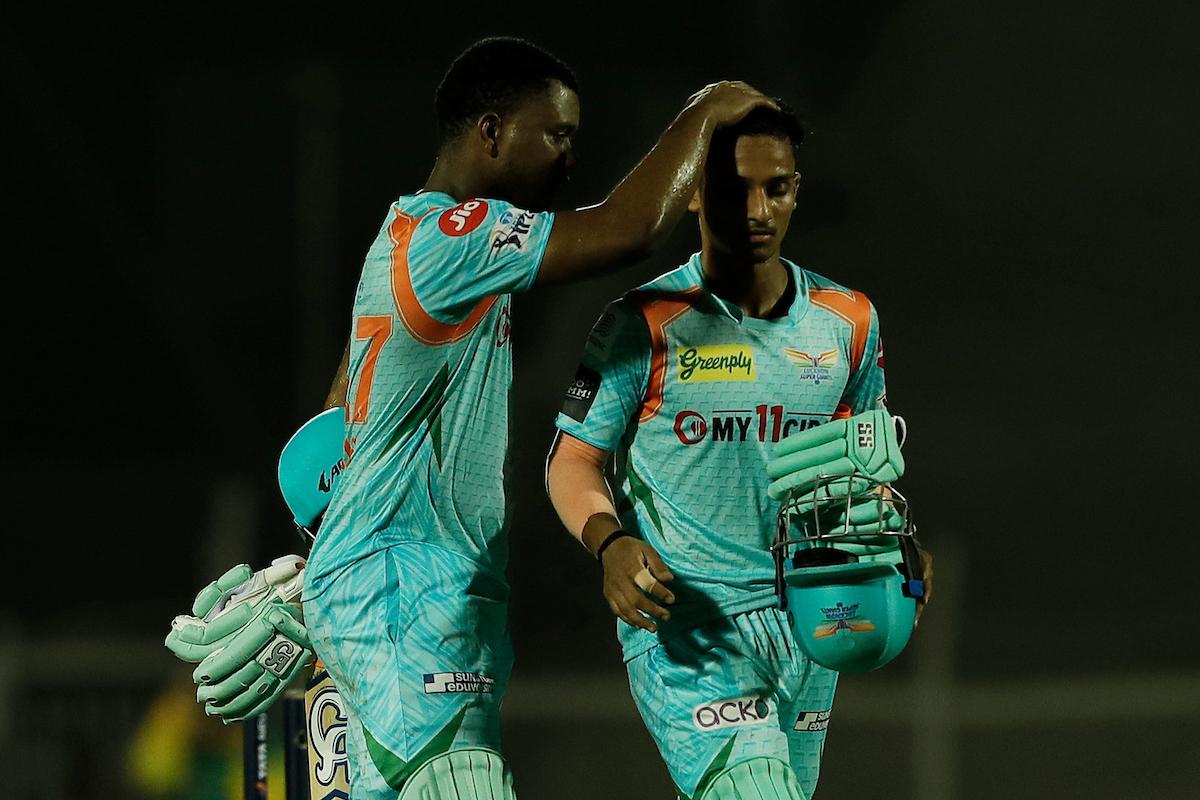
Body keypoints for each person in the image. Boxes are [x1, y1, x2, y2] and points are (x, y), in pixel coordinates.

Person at [282, 37, 774, 800]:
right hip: (409, 597)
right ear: (491, 132)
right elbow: (626, 228)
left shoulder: (405, 239)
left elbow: (340, 409)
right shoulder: (456, 239)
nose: (569, 159)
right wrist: (707, 110)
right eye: (558, 135)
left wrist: (314, 568)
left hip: (401, 594)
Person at [546, 102, 927, 800]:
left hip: (814, 619)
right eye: (733, 187)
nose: (758, 208)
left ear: (796, 189)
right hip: (689, 625)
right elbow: (570, 459)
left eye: (775, 187)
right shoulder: (643, 324)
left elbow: (861, 461)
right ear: (692, 190)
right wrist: (609, 544)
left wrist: (890, 548)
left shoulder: (849, 323)